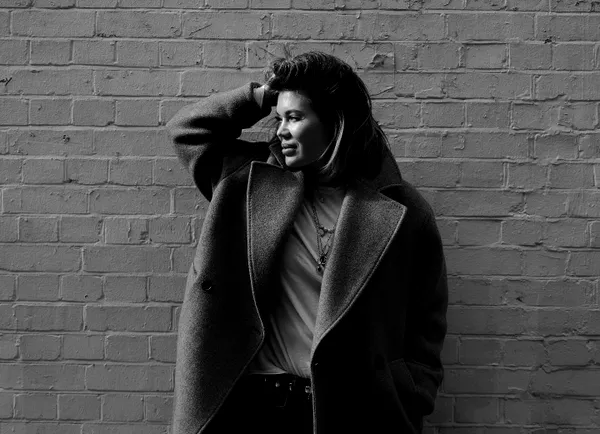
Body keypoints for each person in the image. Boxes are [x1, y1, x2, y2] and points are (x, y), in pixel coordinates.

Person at [167, 51, 447, 434]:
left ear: (335, 123)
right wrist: (260, 96)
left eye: (295, 118)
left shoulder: (401, 211)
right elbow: (187, 131)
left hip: (348, 409)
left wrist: (410, 391)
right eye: (279, 118)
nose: (281, 130)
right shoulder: (246, 181)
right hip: (251, 403)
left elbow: (427, 318)